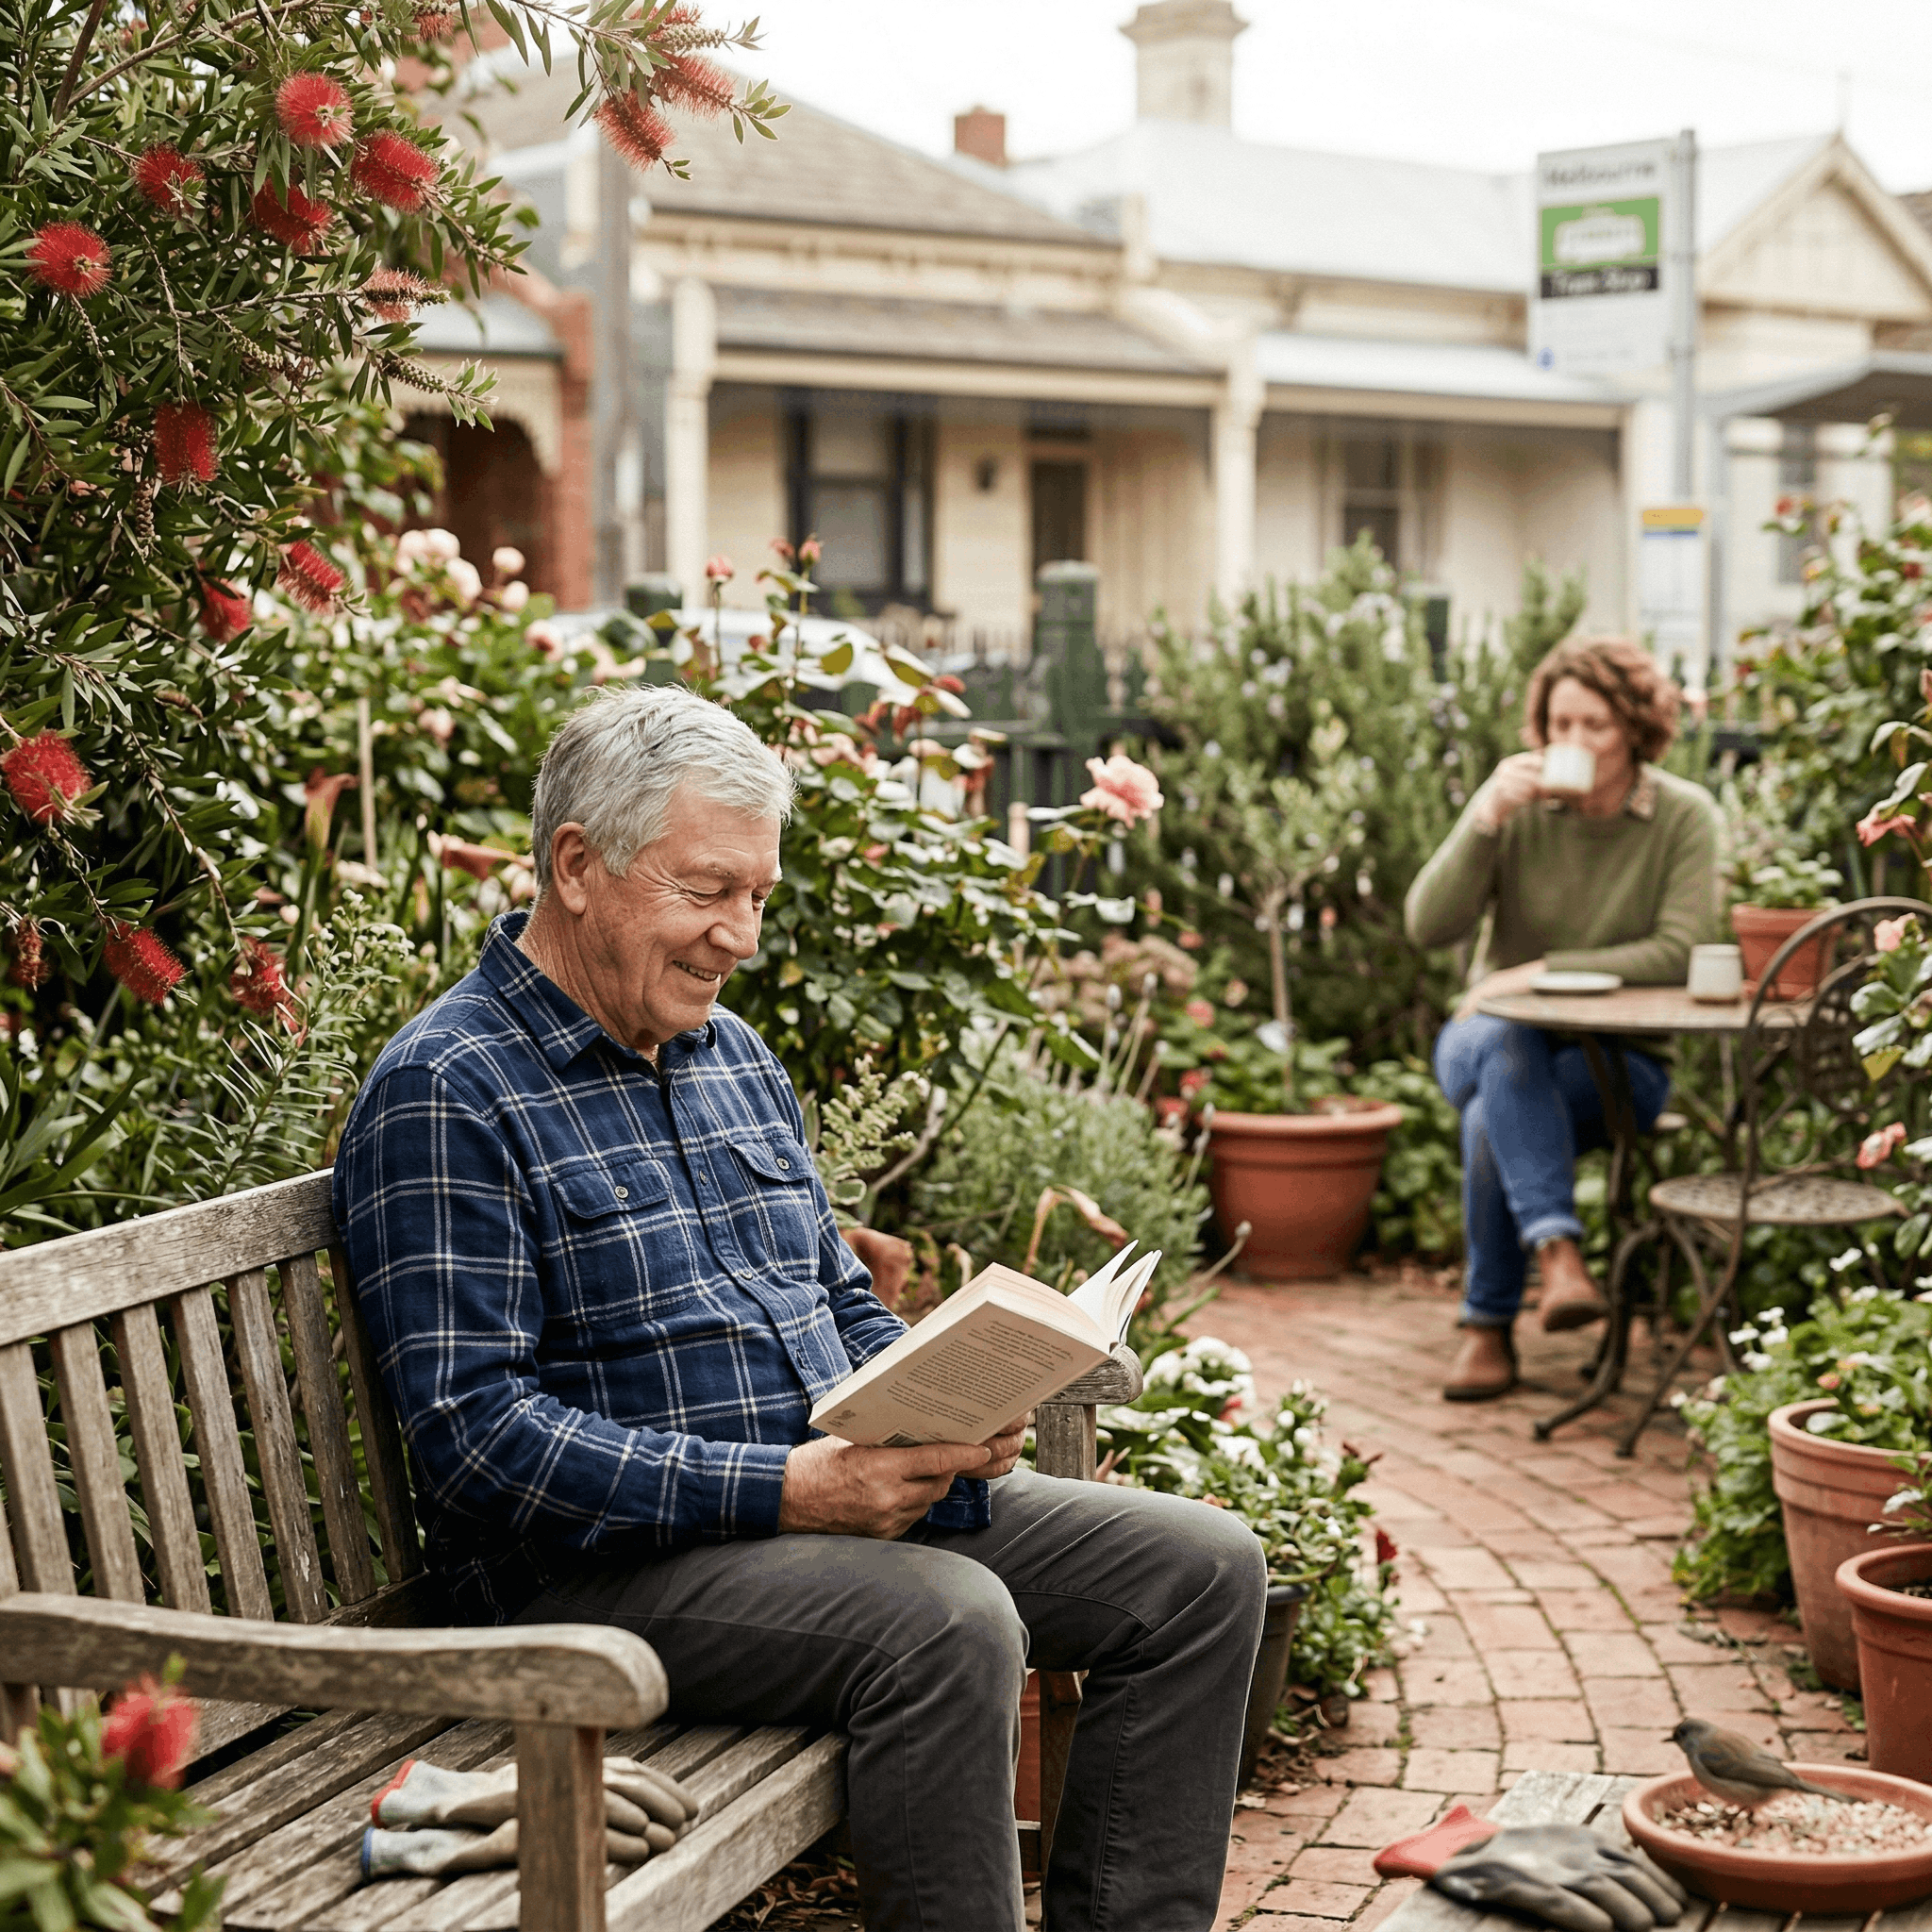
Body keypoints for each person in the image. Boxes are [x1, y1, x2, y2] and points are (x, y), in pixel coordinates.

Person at [332, 684, 1265, 1932]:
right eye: (707, 891)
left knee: (1203, 1574)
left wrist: (946, 1399)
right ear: (576, 867)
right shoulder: (449, 1089)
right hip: (594, 1581)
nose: (742, 936)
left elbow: (832, 1292)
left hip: (814, 1520)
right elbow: (475, 1439)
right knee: (949, 1627)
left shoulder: (729, 1057)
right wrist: (783, 1490)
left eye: (757, 897)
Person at [1405, 638, 1721, 1402]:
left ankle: (1488, 1327)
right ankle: (1557, 1257)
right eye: (1558, 726)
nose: (1571, 744)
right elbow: (1426, 925)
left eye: (1594, 727)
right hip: (1482, 1040)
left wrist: (1543, 973)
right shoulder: (1517, 813)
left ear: (1638, 730)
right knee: (1509, 1044)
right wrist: (1483, 818)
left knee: (1490, 1114)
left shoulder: (1684, 817)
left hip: (1619, 1067)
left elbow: (1683, 950)